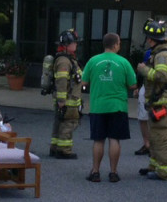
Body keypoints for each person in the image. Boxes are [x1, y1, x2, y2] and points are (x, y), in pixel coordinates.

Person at [81, 32, 137, 183]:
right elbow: (132, 85)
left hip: (98, 106)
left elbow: (83, 82)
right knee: (114, 139)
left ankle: (95, 172)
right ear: (116, 45)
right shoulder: (123, 62)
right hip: (118, 106)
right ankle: (113, 172)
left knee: (98, 140)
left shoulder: (93, 61)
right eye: (119, 43)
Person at [136, 19, 167, 181]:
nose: (146, 41)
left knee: (161, 138)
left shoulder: (163, 55)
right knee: (154, 137)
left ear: (152, 39)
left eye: (148, 38)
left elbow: (162, 76)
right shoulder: (158, 53)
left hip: (163, 104)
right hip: (158, 103)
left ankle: (166, 172)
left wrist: (144, 70)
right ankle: (154, 166)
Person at [50, 29, 82, 159]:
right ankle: (64, 150)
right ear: (68, 44)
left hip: (65, 99)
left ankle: (55, 147)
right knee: (69, 123)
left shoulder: (66, 59)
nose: (76, 45)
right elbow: (62, 81)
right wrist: (62, 100)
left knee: (59, 122)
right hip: (68, 100)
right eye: (75, 43)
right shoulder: (64, 61)